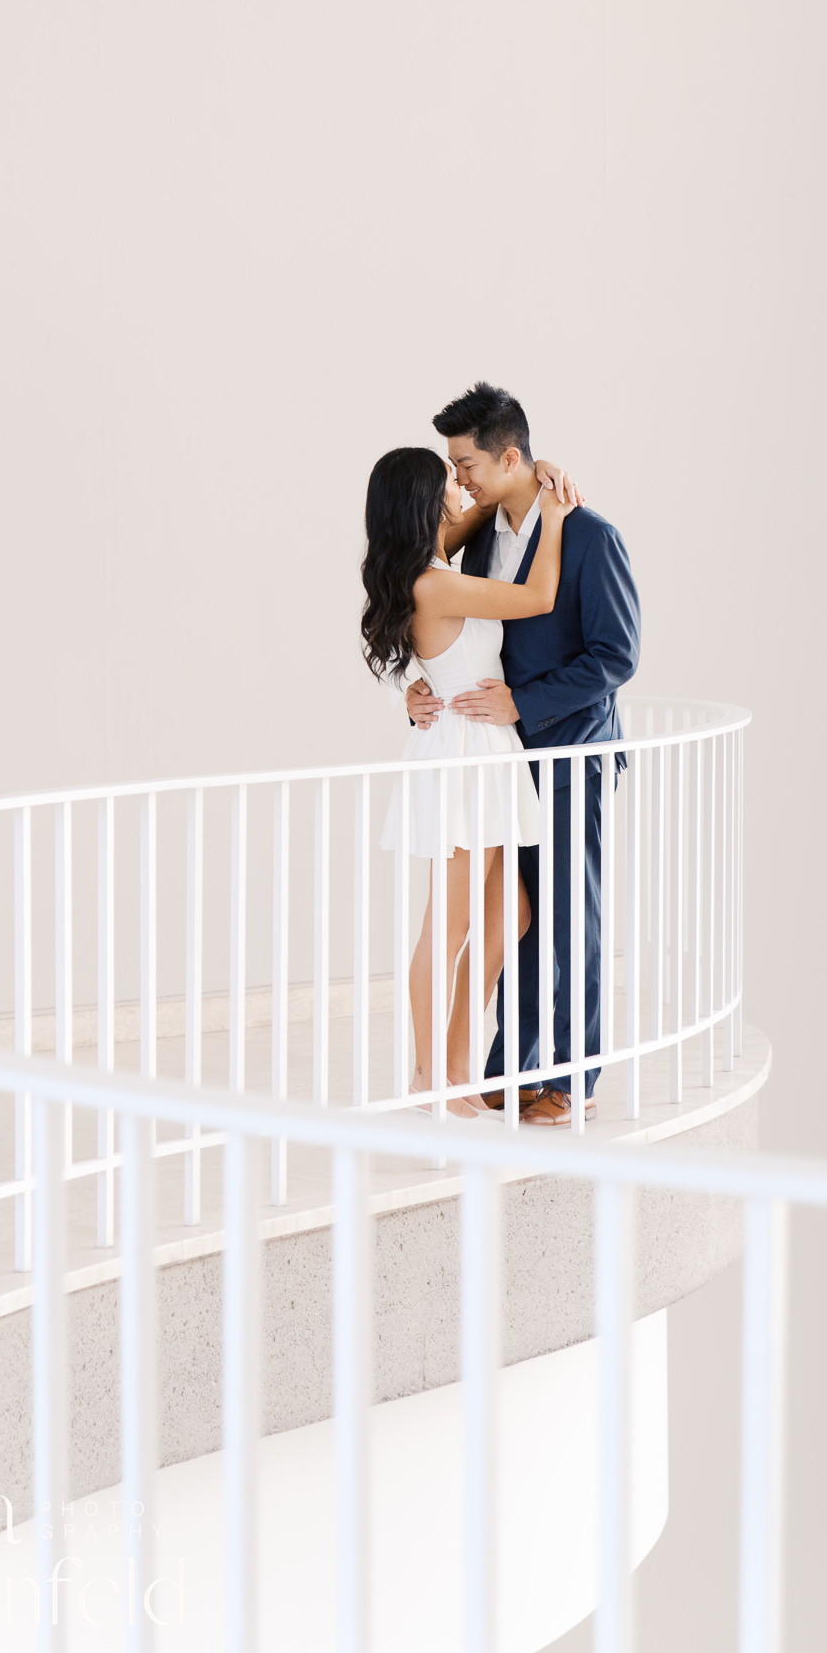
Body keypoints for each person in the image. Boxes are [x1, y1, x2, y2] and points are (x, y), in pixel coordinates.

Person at [408, 383, 641, 1127]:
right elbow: (404, 589)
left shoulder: (591, 534)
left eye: (468, 463)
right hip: (500, 762)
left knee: (573, 918)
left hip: (569, 753)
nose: (459, 478)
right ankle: (512, 1069)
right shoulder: (477, 537)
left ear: (511, 456)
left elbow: (617, 655)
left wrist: (525, 705)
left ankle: (576, 1078)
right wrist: (412, 685)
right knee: (519, 918)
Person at [360, 445, 576, 1115]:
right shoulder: (433, 581)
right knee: (447, 926)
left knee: (510, 912)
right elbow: (538, 597)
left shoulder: (431, 568)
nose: (460, 489)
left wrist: (506, 482)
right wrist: (556, 512)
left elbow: (469, 517)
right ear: (423, 504)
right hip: (464, 754)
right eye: (446, 482)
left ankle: (454, 1064)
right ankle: (430, 1077)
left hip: (481, 748)